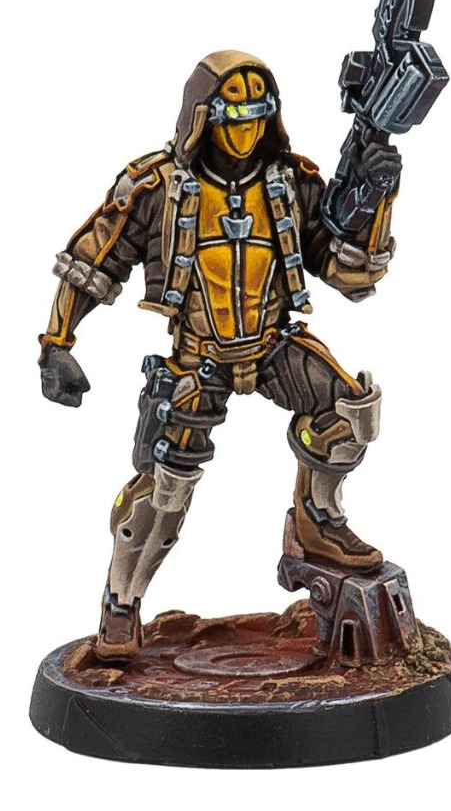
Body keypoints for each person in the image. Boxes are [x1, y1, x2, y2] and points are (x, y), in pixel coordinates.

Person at [39, 50, 402, 658]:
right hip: (195, 359)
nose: (245, 129)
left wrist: (376, 196)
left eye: (257, 115)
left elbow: (350, 274)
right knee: (164, 493)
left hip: (273, 345)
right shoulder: (157, 185)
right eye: (232, 114)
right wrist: (57, 343)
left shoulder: (290, 183)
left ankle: (316, 520)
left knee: (351, 410)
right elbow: (94, 259)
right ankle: (122, 602)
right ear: (201, 115)